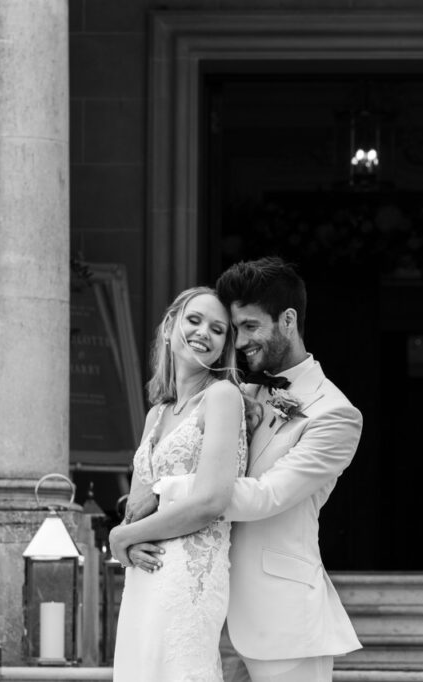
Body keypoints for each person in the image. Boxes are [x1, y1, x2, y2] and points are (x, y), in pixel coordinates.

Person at [132, 257, 363, 682]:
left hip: (281, 620)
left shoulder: (335, 414)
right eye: (232, 330)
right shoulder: (230, 391)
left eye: (250, 327)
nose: (238, 342)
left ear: (288, 320)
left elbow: (268, 495)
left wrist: (172, 492)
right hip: (197, 606)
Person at [109, 286, 247, 682]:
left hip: (189, 575)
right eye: (194, 320)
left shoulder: (222, 397)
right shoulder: (157, 414)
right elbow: (138, 505)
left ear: (224, 347)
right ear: (170, 327)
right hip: (143, 573)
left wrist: (122, 537)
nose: (205, 332)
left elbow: (210, 500)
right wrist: (127, 533)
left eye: (218, 329)